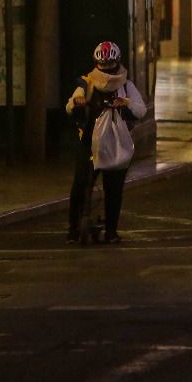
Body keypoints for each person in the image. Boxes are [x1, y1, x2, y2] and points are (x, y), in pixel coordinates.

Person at [66, 40, 146, 243]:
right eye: (104, 68)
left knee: (114, 188)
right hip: (90, 144)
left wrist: (125, 102)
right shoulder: (87, 83)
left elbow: (140, 109)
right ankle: (73, 230)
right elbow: (71, 103)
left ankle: (111, 231)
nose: (108, 74)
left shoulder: (127, 86)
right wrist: (78, 102)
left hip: (116, 144)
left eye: (111, 68)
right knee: (81, 184)